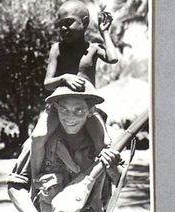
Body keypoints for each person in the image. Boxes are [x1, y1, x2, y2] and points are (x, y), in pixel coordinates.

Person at [8, 80, 123, 212]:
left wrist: (112, 167)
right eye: (64, 110)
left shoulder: (102, 145)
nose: (70, 117)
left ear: (90, 111)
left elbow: (121, 181)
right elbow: (15, 185)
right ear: (56, 109)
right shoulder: (39, 144)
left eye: (79, 110)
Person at [30, 0, 119, 178]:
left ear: (85, 22)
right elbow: (47, 83)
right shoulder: (57, 49)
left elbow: (113, 58)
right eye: (60, 25)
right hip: (60, 107)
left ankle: (104, 185)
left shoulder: (93, 49)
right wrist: (64, 78)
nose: (63, 28)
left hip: (86, 109)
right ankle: (33, 178)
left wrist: (105, 33)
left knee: (104, 145)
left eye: (68, 22)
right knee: (37, 137)